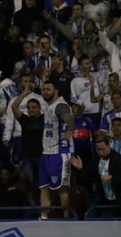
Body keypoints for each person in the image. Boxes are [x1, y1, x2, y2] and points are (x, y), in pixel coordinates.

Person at [38, 79, 75, 219]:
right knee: (43, 187)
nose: (45, 92)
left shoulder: (60, 105)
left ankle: (66, 217)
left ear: (56, 91)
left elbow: (69, 118)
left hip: (59, 153)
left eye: (48, 89)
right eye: (43, 89)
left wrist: (70, 130)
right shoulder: (49, 106)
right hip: (46, 152)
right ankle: (44, 216)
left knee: (62, 189)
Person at [72, 134, 121, 216]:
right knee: (91, 213)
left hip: (118, 198)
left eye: (103, 149)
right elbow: (88, 178)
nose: (101, 152)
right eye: (98, 149)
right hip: (102, 197)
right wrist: (80, 168)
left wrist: (112, 178)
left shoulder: (118, 159)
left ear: (108, 145)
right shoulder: (96, 159)